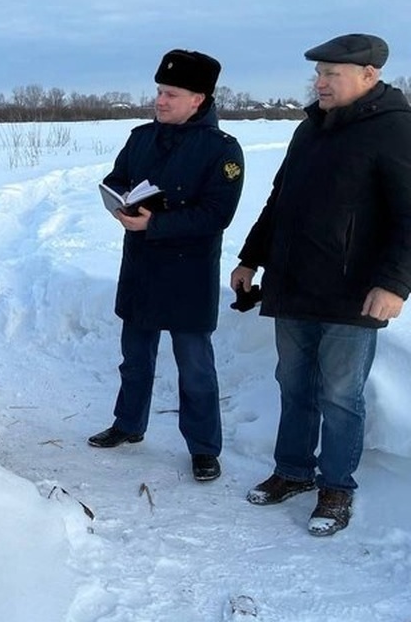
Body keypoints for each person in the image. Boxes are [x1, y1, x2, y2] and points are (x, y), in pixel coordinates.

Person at [232, 33, 411, 536]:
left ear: (370, 75)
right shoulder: (309, 128)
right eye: (319, 73)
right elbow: (278, 200)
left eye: (332, 73)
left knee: (340, 395)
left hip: (352, 291)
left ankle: (336, 487)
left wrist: (394, 284)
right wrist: (251, 258)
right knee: (293, 385)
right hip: (292, 283)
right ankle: (292, 471)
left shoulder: (396, 129)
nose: (320, 82)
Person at [88, 49, 245, 485]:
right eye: (159, 91)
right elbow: (118, 178)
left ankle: (204, 448)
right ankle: (128, 424)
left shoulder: (222, 150)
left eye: (171, 94)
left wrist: (154, 223)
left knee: (195, 368)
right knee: (135, 357)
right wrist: (119, 203)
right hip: (141, 268)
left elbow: (216, 214)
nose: (160, 100)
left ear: (198, 99)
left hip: (188, 275)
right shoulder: (141, 138)